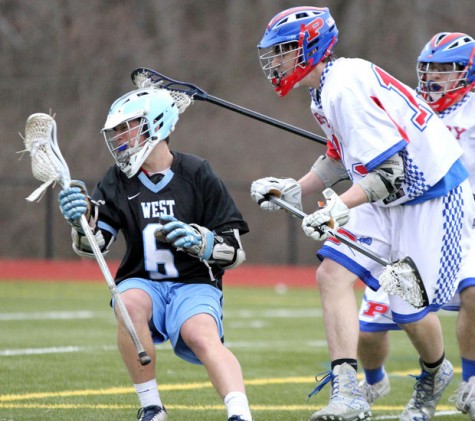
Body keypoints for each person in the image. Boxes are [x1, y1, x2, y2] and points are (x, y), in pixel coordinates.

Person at [250, 7, 475, 421]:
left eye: (283, 51)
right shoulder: (324, 89)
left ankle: (434, 372)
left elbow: (391, 172)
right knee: (331, 273)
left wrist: (338, 206)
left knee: (406, 304)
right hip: (387, 195)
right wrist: (295, 188)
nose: (275, 61)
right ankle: (347, 392)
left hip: (430, 194)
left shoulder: (343, 87)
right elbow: (340, 159)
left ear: (309, 48)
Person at [57, 87, 253, 421]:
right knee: (126, 302)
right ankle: (152, 407)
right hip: (142, 280)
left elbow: (235, 252)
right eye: (115, 131)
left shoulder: (197, 172)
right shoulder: (117, 179)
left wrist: (201, 242)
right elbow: (97, 245)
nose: (119, 137)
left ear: (156, 125)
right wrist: (81, 220)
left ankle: (239, 413)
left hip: (194, 281)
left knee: (200, 334)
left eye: (126, 127)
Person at [357, 32, 475, 420]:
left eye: (445, 68)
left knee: (473, 292)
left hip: (465, 220)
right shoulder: (407, 102)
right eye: (429, 68)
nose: (434, 76)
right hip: (410, 221)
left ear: (467, 71)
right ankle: (373, 381)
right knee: (371, 327)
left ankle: (470, 382)